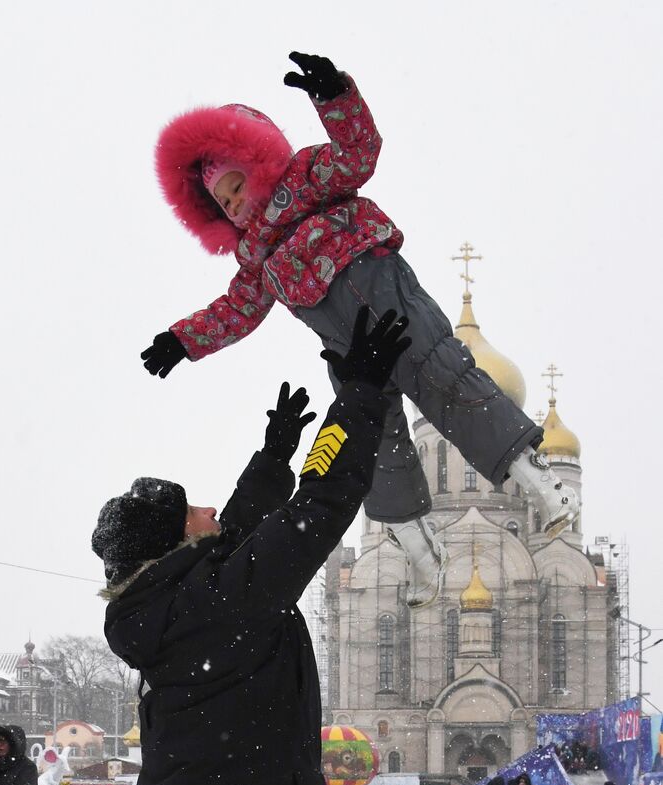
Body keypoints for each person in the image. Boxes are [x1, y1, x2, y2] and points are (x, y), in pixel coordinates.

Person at [144, 51, 578, 609]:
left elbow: (358, 154)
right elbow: (236, 310)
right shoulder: (256, 258)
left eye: (235, 186)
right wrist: (183, 339)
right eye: (223, 204)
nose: (234, 206)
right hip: (348, 347)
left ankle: (534, 475)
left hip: (387, 300)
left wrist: (334, 97)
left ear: (256, 165)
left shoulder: (306, 179)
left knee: (443, 377)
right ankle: (418, 549)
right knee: (368, 436)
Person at [93, 307, 410, 785]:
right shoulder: (218, 598)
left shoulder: (168, 604)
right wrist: (357, 399)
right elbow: (320, 506)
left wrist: (272, 458)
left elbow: (235, 532)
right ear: (173, 544)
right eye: (191, 511)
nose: (209, 511)